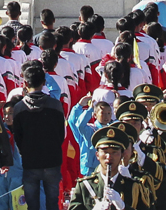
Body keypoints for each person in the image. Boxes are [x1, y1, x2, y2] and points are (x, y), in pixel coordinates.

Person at [12, 64, 66, 210]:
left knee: (32, 204)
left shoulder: (19, 108)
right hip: (52, 160)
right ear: (44, 82)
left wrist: (25, 152)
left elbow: (18, 136)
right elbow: (61, 133)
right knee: (52, 202)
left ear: (25, 83)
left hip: (30, 161)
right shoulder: (55, 105)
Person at [68, 126, 150, 210]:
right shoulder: (84, 186)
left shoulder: (133, 187)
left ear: (122, 155)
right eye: (105, 152)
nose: (109, 157)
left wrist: (123, 207)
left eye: (114, 152)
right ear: (97, 155)